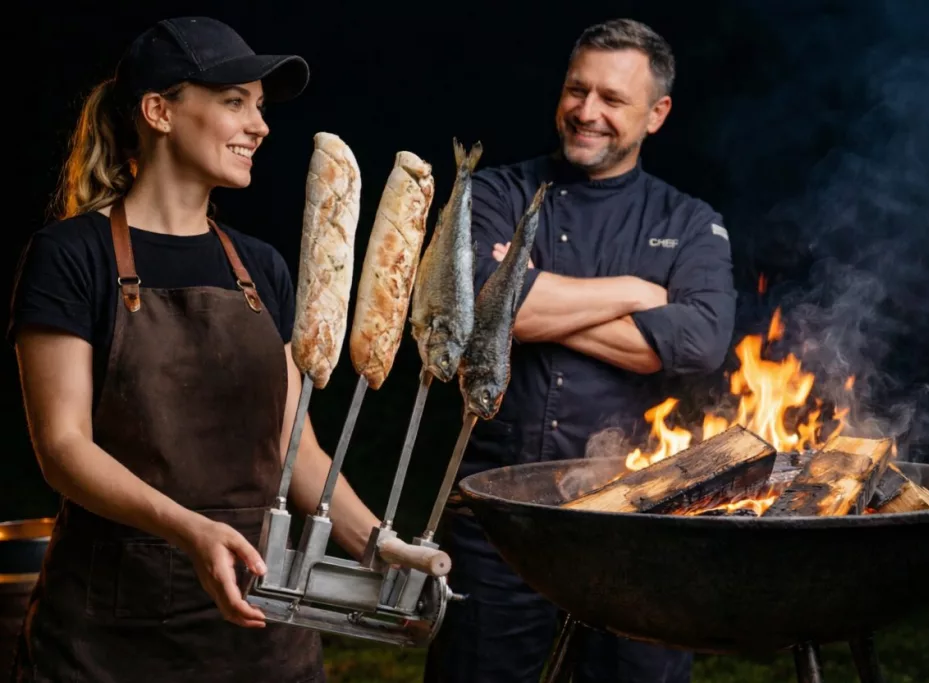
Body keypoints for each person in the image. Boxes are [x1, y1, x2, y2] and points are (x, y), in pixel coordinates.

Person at [7, 16, 383, 682]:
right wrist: (190, 530)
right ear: (159, 111)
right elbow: (63, 448)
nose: (260, 126)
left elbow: (297, 451)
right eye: (234, 101)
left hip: (261, 640)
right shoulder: (73, 257)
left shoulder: (262, 268)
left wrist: (380, 545)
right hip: (111, 640)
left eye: (260, 107)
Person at [423, 18, 737, 683]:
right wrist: (635, 292)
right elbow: (474, 306)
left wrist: (526, 302)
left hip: (642, 528)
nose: (586, 112)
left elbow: (701, 341)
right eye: (577, 89)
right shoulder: (494, 193)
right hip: (498, 522)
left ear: (657, 115)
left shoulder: (688, 221)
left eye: (611, 100)